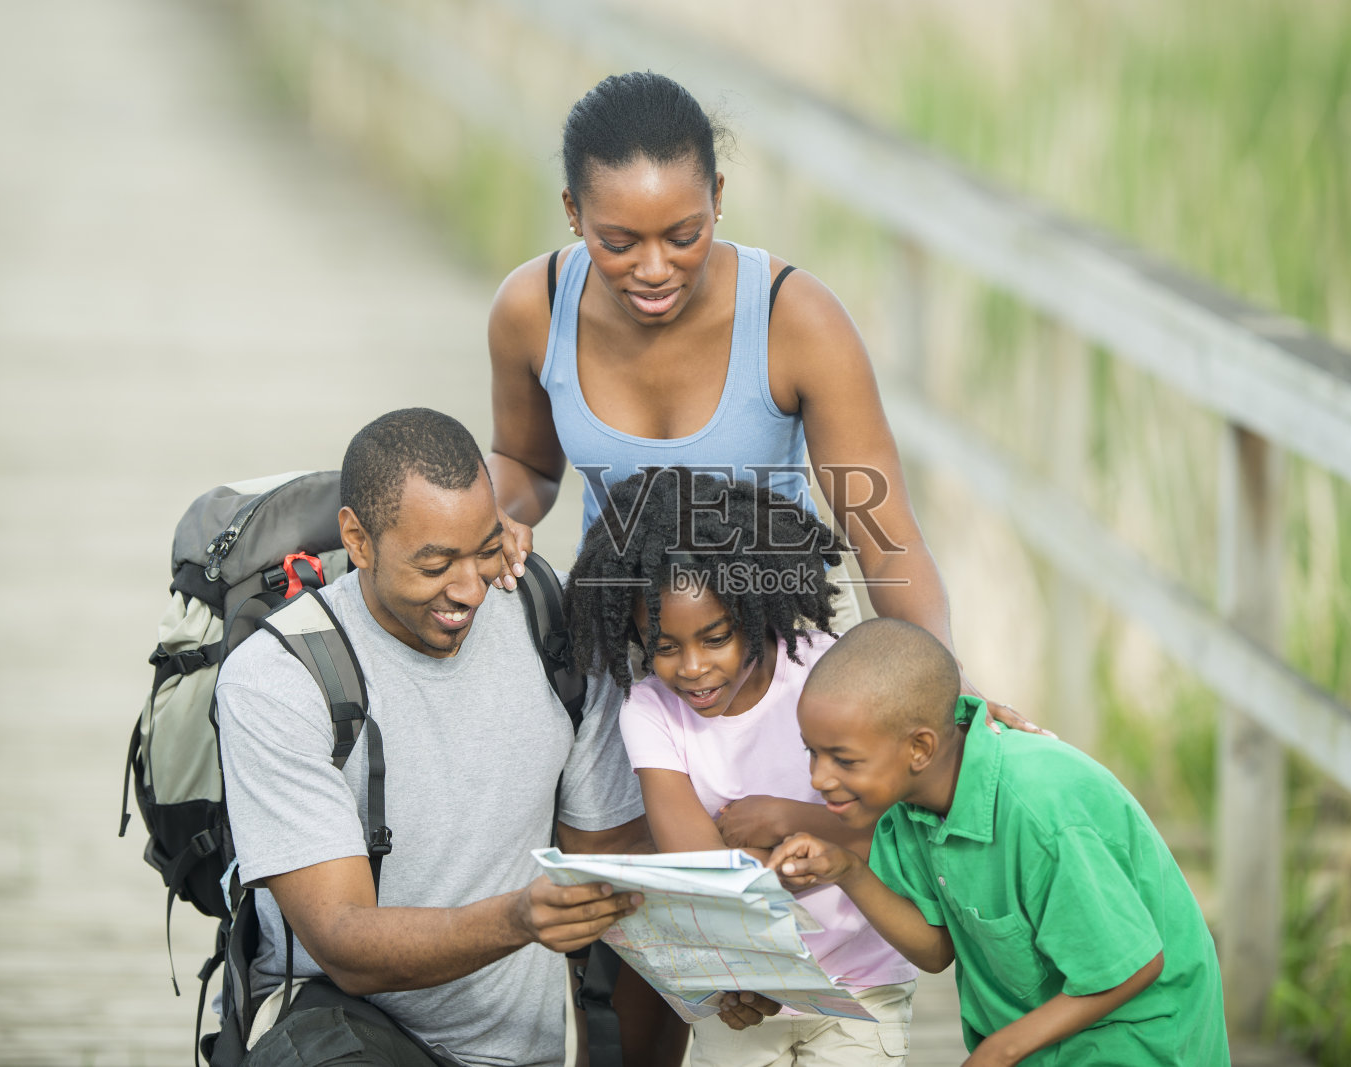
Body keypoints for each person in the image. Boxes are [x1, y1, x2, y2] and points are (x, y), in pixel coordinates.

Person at [485, 70, 1043, 736]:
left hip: (772, 668)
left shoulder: (797, 320)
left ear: (718, 198)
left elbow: (884, 538)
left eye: (683, 235)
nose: (656, 268)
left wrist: (938, 676)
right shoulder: (534, 307)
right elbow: (525, 463)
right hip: (627, 662)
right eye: (619, 243)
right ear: (574, 211)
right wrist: (494, 517)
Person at [216, 408, 650, 1067]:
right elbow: (343, 941)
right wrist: (518, 919)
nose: (471, 589)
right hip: (346, 1033)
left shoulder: (557, 622)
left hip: (529, 1048)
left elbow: (608, 869)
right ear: (358, 541)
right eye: (435, 563)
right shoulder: (278, 677)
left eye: (484, 548)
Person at [563, 469, 917, 1065]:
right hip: (742, 989)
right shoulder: (650, 711)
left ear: (755, 613)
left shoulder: (827, 675)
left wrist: (781, 818)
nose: (693, 668)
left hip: (860, 982)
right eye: (664, 647)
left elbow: (899, 826)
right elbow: (699, 870)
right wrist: (815, 843)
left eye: (717, 636)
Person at [769, 619, 1231, 1066]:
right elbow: (936, 950)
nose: (819, 777)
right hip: (1035, 1044)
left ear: (920, 748)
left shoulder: (1040, 808)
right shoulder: (903, 804)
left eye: (843, 760)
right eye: (813, 751)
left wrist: (998, 1051)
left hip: (1138, 1042)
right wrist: (848, 871)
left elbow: (1132, 966)